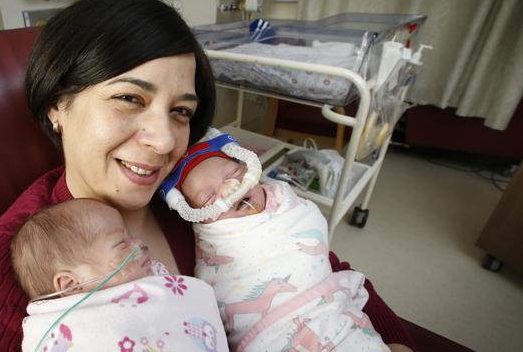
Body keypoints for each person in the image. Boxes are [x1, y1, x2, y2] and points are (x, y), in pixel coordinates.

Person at [0, 0, 414, 352]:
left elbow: (316, 270)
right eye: (129, 98)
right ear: (58, 104)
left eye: (181, 112)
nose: (164, 142)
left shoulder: (203, 194)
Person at [160, 131, 389, 351]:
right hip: (271, 336)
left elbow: (325, 258)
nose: (230, 190)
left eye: (234, 175)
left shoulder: (283, 204)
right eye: (209, 198)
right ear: (196, 216)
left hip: (335, 309)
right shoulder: (214, 238)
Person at [11, 198, 227, 351]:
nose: (139, 243)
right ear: (71, 284)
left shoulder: (152, 286)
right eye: (121, 243)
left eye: (130, 237)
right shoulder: (62, 332)